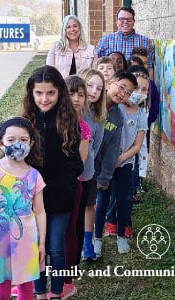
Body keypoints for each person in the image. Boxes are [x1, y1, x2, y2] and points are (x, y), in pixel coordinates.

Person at [20, 65, 83, 300]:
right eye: (39, 93)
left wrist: (67, 188)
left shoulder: (68, 121)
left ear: (59, 93)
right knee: (36, 247)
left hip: (59, 198)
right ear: (31, 93)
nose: (44, 99)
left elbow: (76, 162)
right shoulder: (25, 122)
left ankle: (55, 293)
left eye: (50, 93)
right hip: (31, 200)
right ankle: (38, 293)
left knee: (56, 247)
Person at [0, 117, 47, 300]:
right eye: (11, 140)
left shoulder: (35, 176)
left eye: (23, 140)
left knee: (26, 285)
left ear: (32, 142)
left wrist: (42, 243)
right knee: (2, 285)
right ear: (0, 143)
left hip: (27, 240)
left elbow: (40, 211)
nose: (17, 145)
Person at [93, 70, 138, 257]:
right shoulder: (92, 104)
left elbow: (112, 150)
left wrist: (104, 176)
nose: (123, 93)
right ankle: (94, 239)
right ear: (110, 82)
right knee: (93, 205)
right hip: (84, 167)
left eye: (128, 92)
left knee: (113, 200)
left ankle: (115, 237)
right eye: (121, 87)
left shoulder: (117, 117)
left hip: (105, 168)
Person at [103, 65, 149, 240]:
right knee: (110, 192)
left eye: (143, 89)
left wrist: (122, 158)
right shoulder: (115, 108)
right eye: (134, 89)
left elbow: (138, 145)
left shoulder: (140, 115)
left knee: (126, 193)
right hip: (109, 159)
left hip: (127, 160)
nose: (137, 92)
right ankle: (110, 221)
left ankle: (125, 223)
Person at [61, 75, 91, 298]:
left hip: (72, 185)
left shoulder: (84, 127)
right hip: (46, 186)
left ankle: (67, 280)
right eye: (71, 93)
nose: (76, 99)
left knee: (69, 231)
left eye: (81, 95)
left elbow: (80, 162)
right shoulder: (53, 121)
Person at [76, 68, 106, 260]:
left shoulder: (98, 117)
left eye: (99, 88)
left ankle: (87, 243)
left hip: (88, 172)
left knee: (88, 206)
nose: (94, 91)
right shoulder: (72, 111)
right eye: (90, 85)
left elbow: (98, 144)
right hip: (69, 174)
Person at [95, 6, 156, 77]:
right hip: (111, 84)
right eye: (121, 19)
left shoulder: (145, 42)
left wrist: (151, 86)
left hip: (137, 84)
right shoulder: (105, 40)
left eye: (129, 19)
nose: (125, 22)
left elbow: (150, 68)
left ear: (134, 22)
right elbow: (97, 66)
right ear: (116, 22)